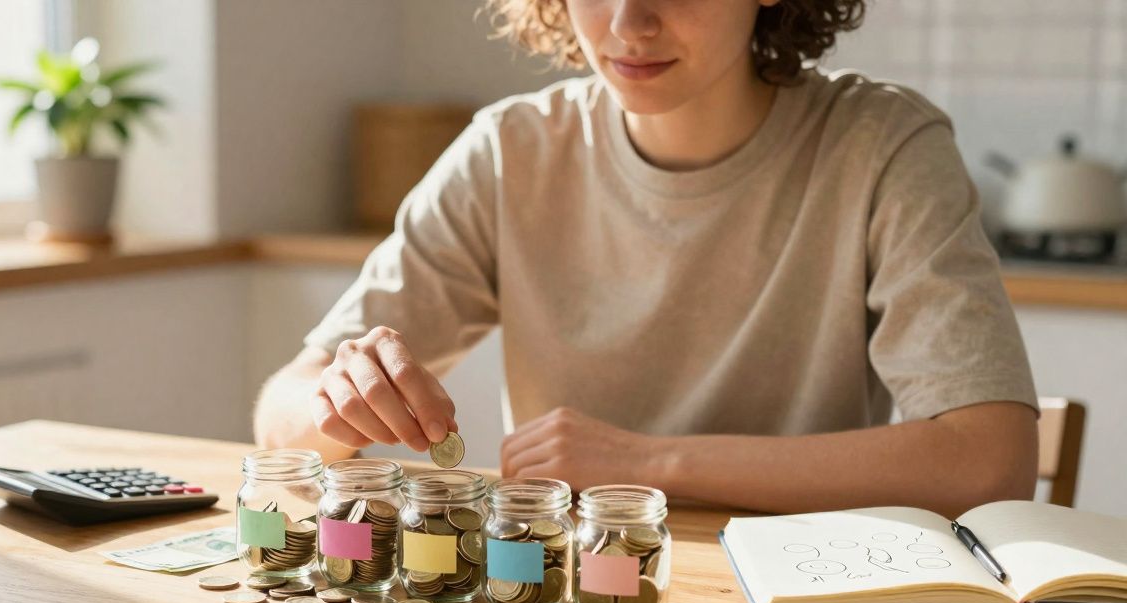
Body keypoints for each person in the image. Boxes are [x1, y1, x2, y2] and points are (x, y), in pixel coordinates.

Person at [254, 0, 1039, 517]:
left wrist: (649, 461)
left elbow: (988, 461)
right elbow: (279, 415)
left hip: (809, 602)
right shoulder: (509, 152)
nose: (630, 24)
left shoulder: (882, 146)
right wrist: (335, 401)